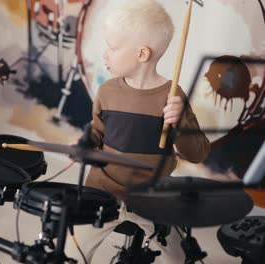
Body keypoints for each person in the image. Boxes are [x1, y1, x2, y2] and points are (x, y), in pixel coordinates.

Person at [66, 0, 210, 263]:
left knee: (180, 258)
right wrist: (84, 143)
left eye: (113, 47)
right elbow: (97, 133)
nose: (105, 54)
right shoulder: (107, 91)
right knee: (70, 253)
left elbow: (198, 153)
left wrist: (180, 123)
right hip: (102, 191)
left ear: (142, 54)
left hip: (152, 198)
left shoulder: (172, 96)